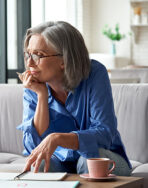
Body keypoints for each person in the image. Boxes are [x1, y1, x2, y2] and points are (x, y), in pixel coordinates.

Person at [16, 21, 131, 176]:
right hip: (61, 161)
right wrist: (42, 96)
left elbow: (105, 133)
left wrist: (58, 138)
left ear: (64, 60)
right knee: (39, 164)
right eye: (28, 54)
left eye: (38, 55)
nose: (29, 63)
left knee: (88, 160)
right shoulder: (34, 84)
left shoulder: (95, 74)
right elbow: (34, 147)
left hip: (104, 158)